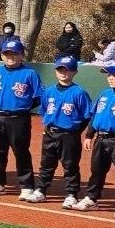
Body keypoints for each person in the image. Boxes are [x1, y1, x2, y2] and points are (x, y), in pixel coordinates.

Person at [72, 59, 115, 215]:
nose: (110, 77)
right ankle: (91, 198)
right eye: (109, 74)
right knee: (96, 171)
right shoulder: (105, 93)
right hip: (101, 138)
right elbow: (95, 116)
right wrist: (89, 135)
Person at [0, 36, 44, 197]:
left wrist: (22, 108)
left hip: (18, 118)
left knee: (21, 151)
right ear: (2, 55)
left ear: (21, 55)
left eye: (14, 53)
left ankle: (26, 185)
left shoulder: (30, 74)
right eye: (7, 53)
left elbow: (39, 96)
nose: (10, 57)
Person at [29, 56, 93, 207]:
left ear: (74, 72)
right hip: (50, 133)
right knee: (46, 163)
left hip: (69, 135)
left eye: (68, 70)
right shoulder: (49, 91)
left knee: (70, 165)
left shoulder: (79, 93)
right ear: (56, 71)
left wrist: (76, 131)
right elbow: (43, 111)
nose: (64, 73)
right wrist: (47, 127)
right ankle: (41, 190)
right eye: (60, 70)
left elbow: (86, 116)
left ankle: (71, 194)